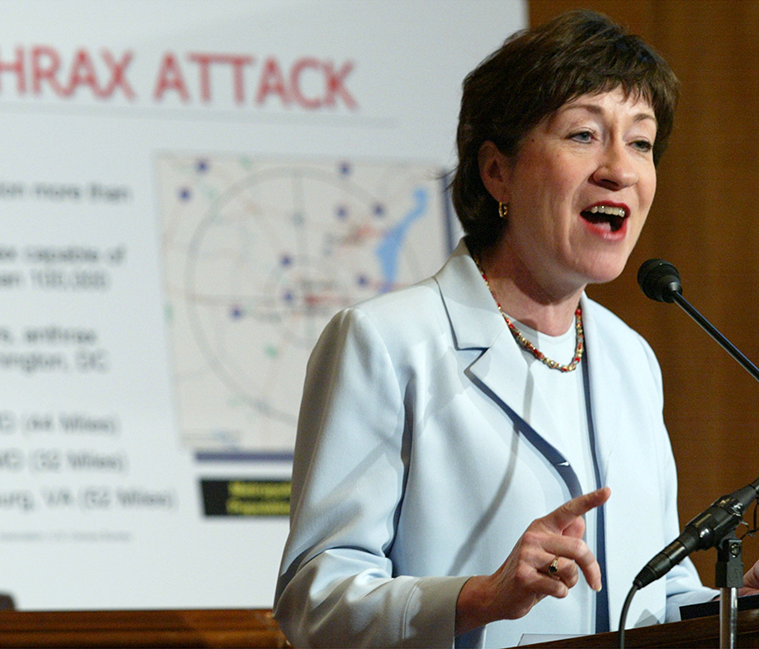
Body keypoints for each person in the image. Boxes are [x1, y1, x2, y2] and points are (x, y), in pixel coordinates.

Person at [273, 10, 759, 649]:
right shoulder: (387, 342)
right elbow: (315, 598)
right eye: (585, 135)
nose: (621, 168)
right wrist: (479, 597)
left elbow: (652, 601)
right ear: (497, 171)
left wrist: (737, 608)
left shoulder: (631, 358)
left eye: (640, 142)